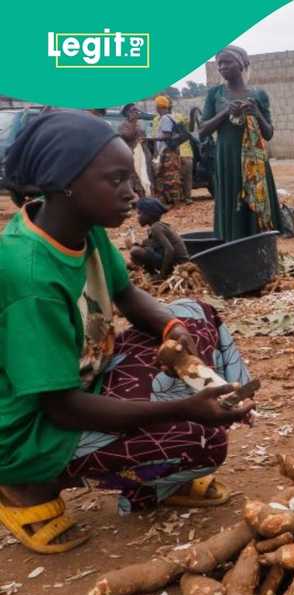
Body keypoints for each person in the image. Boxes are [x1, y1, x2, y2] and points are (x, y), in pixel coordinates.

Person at [0, 111, 253, 553]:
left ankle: (154, 479)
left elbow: (127, 294)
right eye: (116, 179)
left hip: (84, 377)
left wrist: (172, 328)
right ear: (66, 183)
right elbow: (62, 408)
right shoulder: (31, 278)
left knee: (197, 314)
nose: (132, 192)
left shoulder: (80, 226)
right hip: (33, 427)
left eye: (130, 178)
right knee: (199, 439)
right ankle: (26, 486)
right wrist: (185, 410)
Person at [198, 45, 282, 241]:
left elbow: (268, 134)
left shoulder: (258, 95)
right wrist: (226, 113)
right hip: (228, 157)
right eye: (219, 64)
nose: (222, 67)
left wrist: (256, 112)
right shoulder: (215, 94)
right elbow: (203, 130)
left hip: (255, 160)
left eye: (227, 62)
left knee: (256, 200)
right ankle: (232, 244)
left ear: (241, 63)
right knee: (232, 199)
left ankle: (258, 244)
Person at [129, 197, 190, 279]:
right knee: (141, 246)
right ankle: (151, 273)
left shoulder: (156, 228)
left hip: (178, 265)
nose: (138, 217)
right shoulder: (157, 226)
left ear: (148, 215)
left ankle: (158, 275)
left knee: (135, 251)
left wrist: (162, 274)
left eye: (139, 213)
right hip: (176, 263)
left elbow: (170, 250)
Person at [151, 95, 184, 207]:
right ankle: (170, 202)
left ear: (158, 107)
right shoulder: (169, 117)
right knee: (167, 176)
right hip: (169, 151)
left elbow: (167, 135)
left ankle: (176, 203)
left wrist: (152, 139)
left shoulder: (165, 119)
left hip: (168, 151)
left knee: (171, 176)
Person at [118, 103, 151, 197]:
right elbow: (128, 136)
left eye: (136, 110)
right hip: (131, 155)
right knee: (134, 177)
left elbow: (143, 137)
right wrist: (133, 123)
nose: (136, 112)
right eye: (133, 110)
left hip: (142, 155)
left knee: (144, 176)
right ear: (127, 113)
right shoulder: (123, 126)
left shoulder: (138, 125)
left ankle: (146, 197)